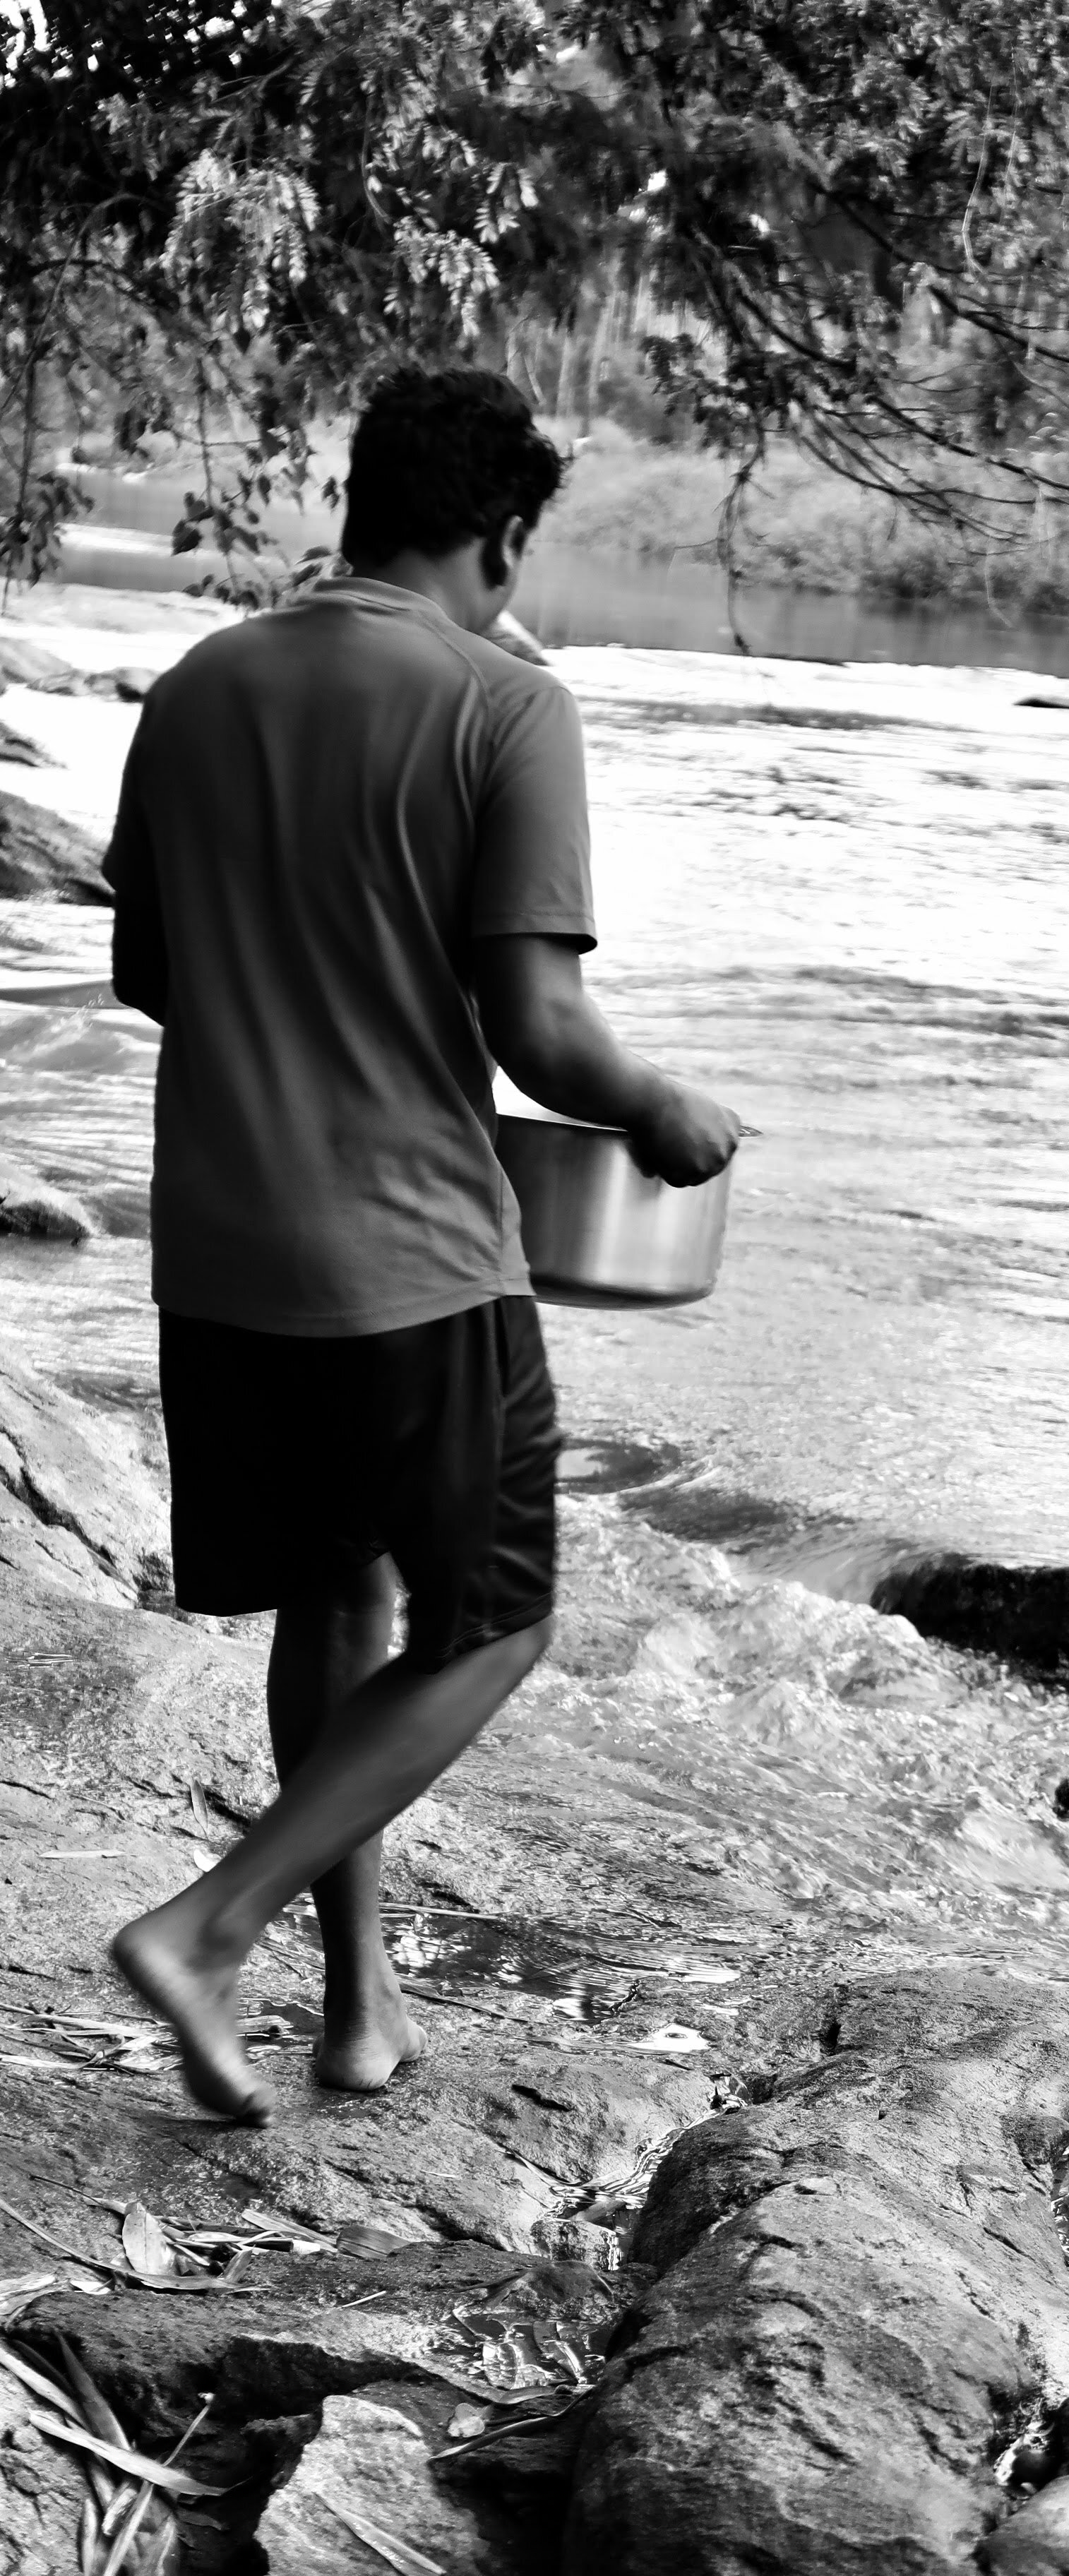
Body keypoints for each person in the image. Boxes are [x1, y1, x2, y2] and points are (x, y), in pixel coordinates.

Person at [104, 364, 740, 2126]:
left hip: (219, 1250)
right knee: (494, 1620)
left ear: (360, 505)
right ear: (505, 536)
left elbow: (150, 975)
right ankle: (208, 1927)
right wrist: (664, 1109)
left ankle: (358, 2006)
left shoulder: (199, 685)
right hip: (409, 1254)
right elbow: (541, 1032)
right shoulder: (506, 704)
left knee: (338, 1595)